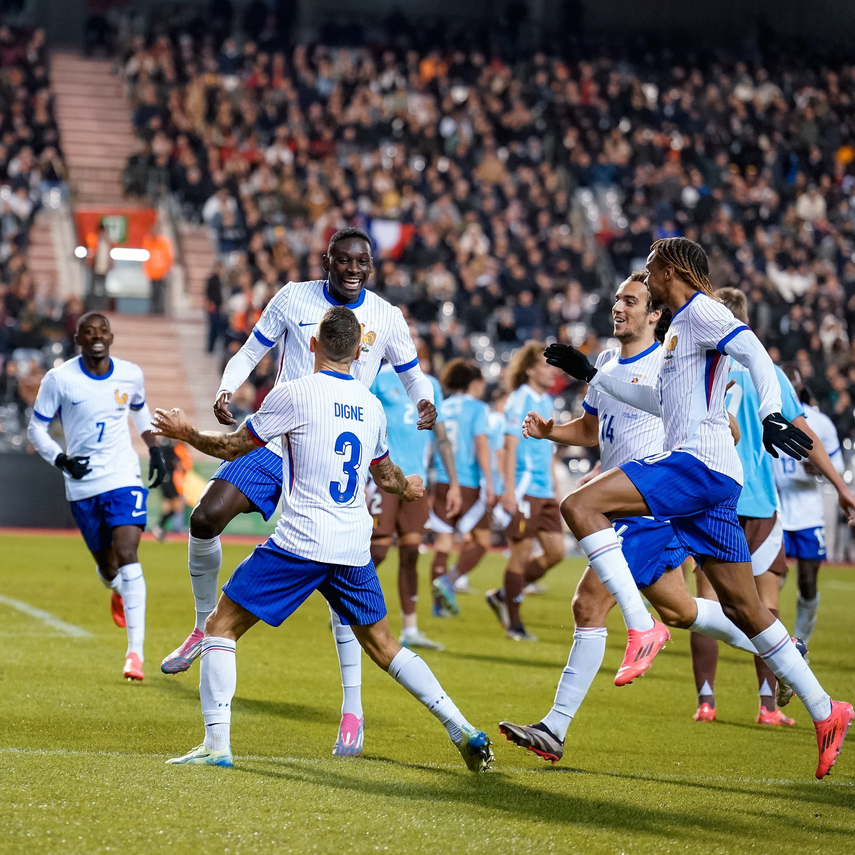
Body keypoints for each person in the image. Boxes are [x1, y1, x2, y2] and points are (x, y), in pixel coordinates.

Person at [543, 237, 853, 779]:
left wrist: (772, 412)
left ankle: (640, 626)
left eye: (650, 270)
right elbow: (659, 401)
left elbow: (755, 351)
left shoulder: (702, 311)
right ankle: (828, 710)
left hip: (697, 464)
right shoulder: (678, 331)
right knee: (746, 610)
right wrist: (593, 375)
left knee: (580, 503)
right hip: (713, 479)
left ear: (672, 270)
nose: (646, 277)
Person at [152, 307, 493, 772]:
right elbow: (385, 474)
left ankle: (216, 746)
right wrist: (407, 487)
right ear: (359, 353)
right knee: (385, 646)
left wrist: (185, 432)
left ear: (312, 345)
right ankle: (462, 728)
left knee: (220, 626)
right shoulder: (371, 406)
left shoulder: (294, 393)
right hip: (352, 546)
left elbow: (232, 447)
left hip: (301, 542)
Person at [160, 228, 438, 759]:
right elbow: (251, 350)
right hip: (280, 434)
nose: (353, 269)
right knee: (204, 517)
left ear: (371, 265)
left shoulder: (386, 316)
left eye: (361, 261)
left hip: (333, 444)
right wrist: (226, 387)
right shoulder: (294, 297)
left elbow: (413, 375)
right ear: (327, 261)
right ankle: (203, 628)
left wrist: (423, 401)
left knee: (340, 575)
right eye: (343, 260)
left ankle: (352, 710)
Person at [498, 272, 758, 762]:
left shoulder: (669, 361)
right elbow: (592, 430)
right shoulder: (604, 362)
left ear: (655, 314)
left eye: (631, 301)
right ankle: (776, 647)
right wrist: (552, 432)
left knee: (587, 604)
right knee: (680, 611)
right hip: (617, 507)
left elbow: (726, 427)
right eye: (617, 298)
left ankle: (555, 727)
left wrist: (715, 420)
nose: (618, 307)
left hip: (649, 508)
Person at [690, 287, 855, 725]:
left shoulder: (701, 363)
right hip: (760, 502)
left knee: (707, 601)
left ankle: (706, 700)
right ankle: (767, 706)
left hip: (712, 498)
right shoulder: (769, 371)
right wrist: (840, 486)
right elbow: (805, 435)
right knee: (766, 603)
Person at [26, 312, 166, 681]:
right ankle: (117, 589)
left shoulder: (130, 374)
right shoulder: (59, 379)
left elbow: (140, 410)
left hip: (123, 475)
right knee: (108, 569)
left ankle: (135, 654)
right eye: (88, 332)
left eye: (103, 331)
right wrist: (61, 460)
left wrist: (154, 450)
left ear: (112, 337)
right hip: (82, 483)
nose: (97, 337)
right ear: (78, 340)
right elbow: (36, 428)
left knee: (128, 553)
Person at [369, 361, 456, 650]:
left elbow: (441, 437)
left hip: (416, 481)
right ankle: (343, 608)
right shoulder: (377, 378)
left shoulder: (430, 384)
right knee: (378, 550)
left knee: (411, 553)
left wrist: (453, 483)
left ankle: (410, 629)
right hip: (383, 477)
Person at [486, 342, 564, 642]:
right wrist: (508, 490)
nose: (552, 371)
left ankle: (503, 595)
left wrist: (555, 487)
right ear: (531, 370)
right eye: (546, 366)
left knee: (556, 553)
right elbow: (510, 444)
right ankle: (514, 625)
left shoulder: (546, 400)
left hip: (544, 490)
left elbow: (548, 449)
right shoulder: (520, 399)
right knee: (520, 553)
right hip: (524, 488)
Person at [774, 378, 845, 645]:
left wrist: (819, 469)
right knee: (772, 578)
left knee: (807, 581)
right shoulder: (766, 414)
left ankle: (800, 643)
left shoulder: (818, 422)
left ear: (798, 388)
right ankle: (771, 643)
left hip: (808, 513)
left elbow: (837, 464)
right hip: (776, 511)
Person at [428, 359, 493, 617]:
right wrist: (489, 480)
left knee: (443, 542)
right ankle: (450, 580)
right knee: (482, 541)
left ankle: (437, 606)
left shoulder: (442, 406)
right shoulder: (478, 408)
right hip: (467, 482)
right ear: (474, 383)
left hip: (442, 479)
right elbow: (480, 443)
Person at [142, 224, 175, 315]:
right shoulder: (148, 241)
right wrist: (146, 270)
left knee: (160, 293)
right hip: (152, 273)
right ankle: (153, 310)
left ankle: (159, 310)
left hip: (161, 273)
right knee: (153, 292)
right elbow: (146, 259)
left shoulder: (163, 242)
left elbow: (168, 257)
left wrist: (166, 270)